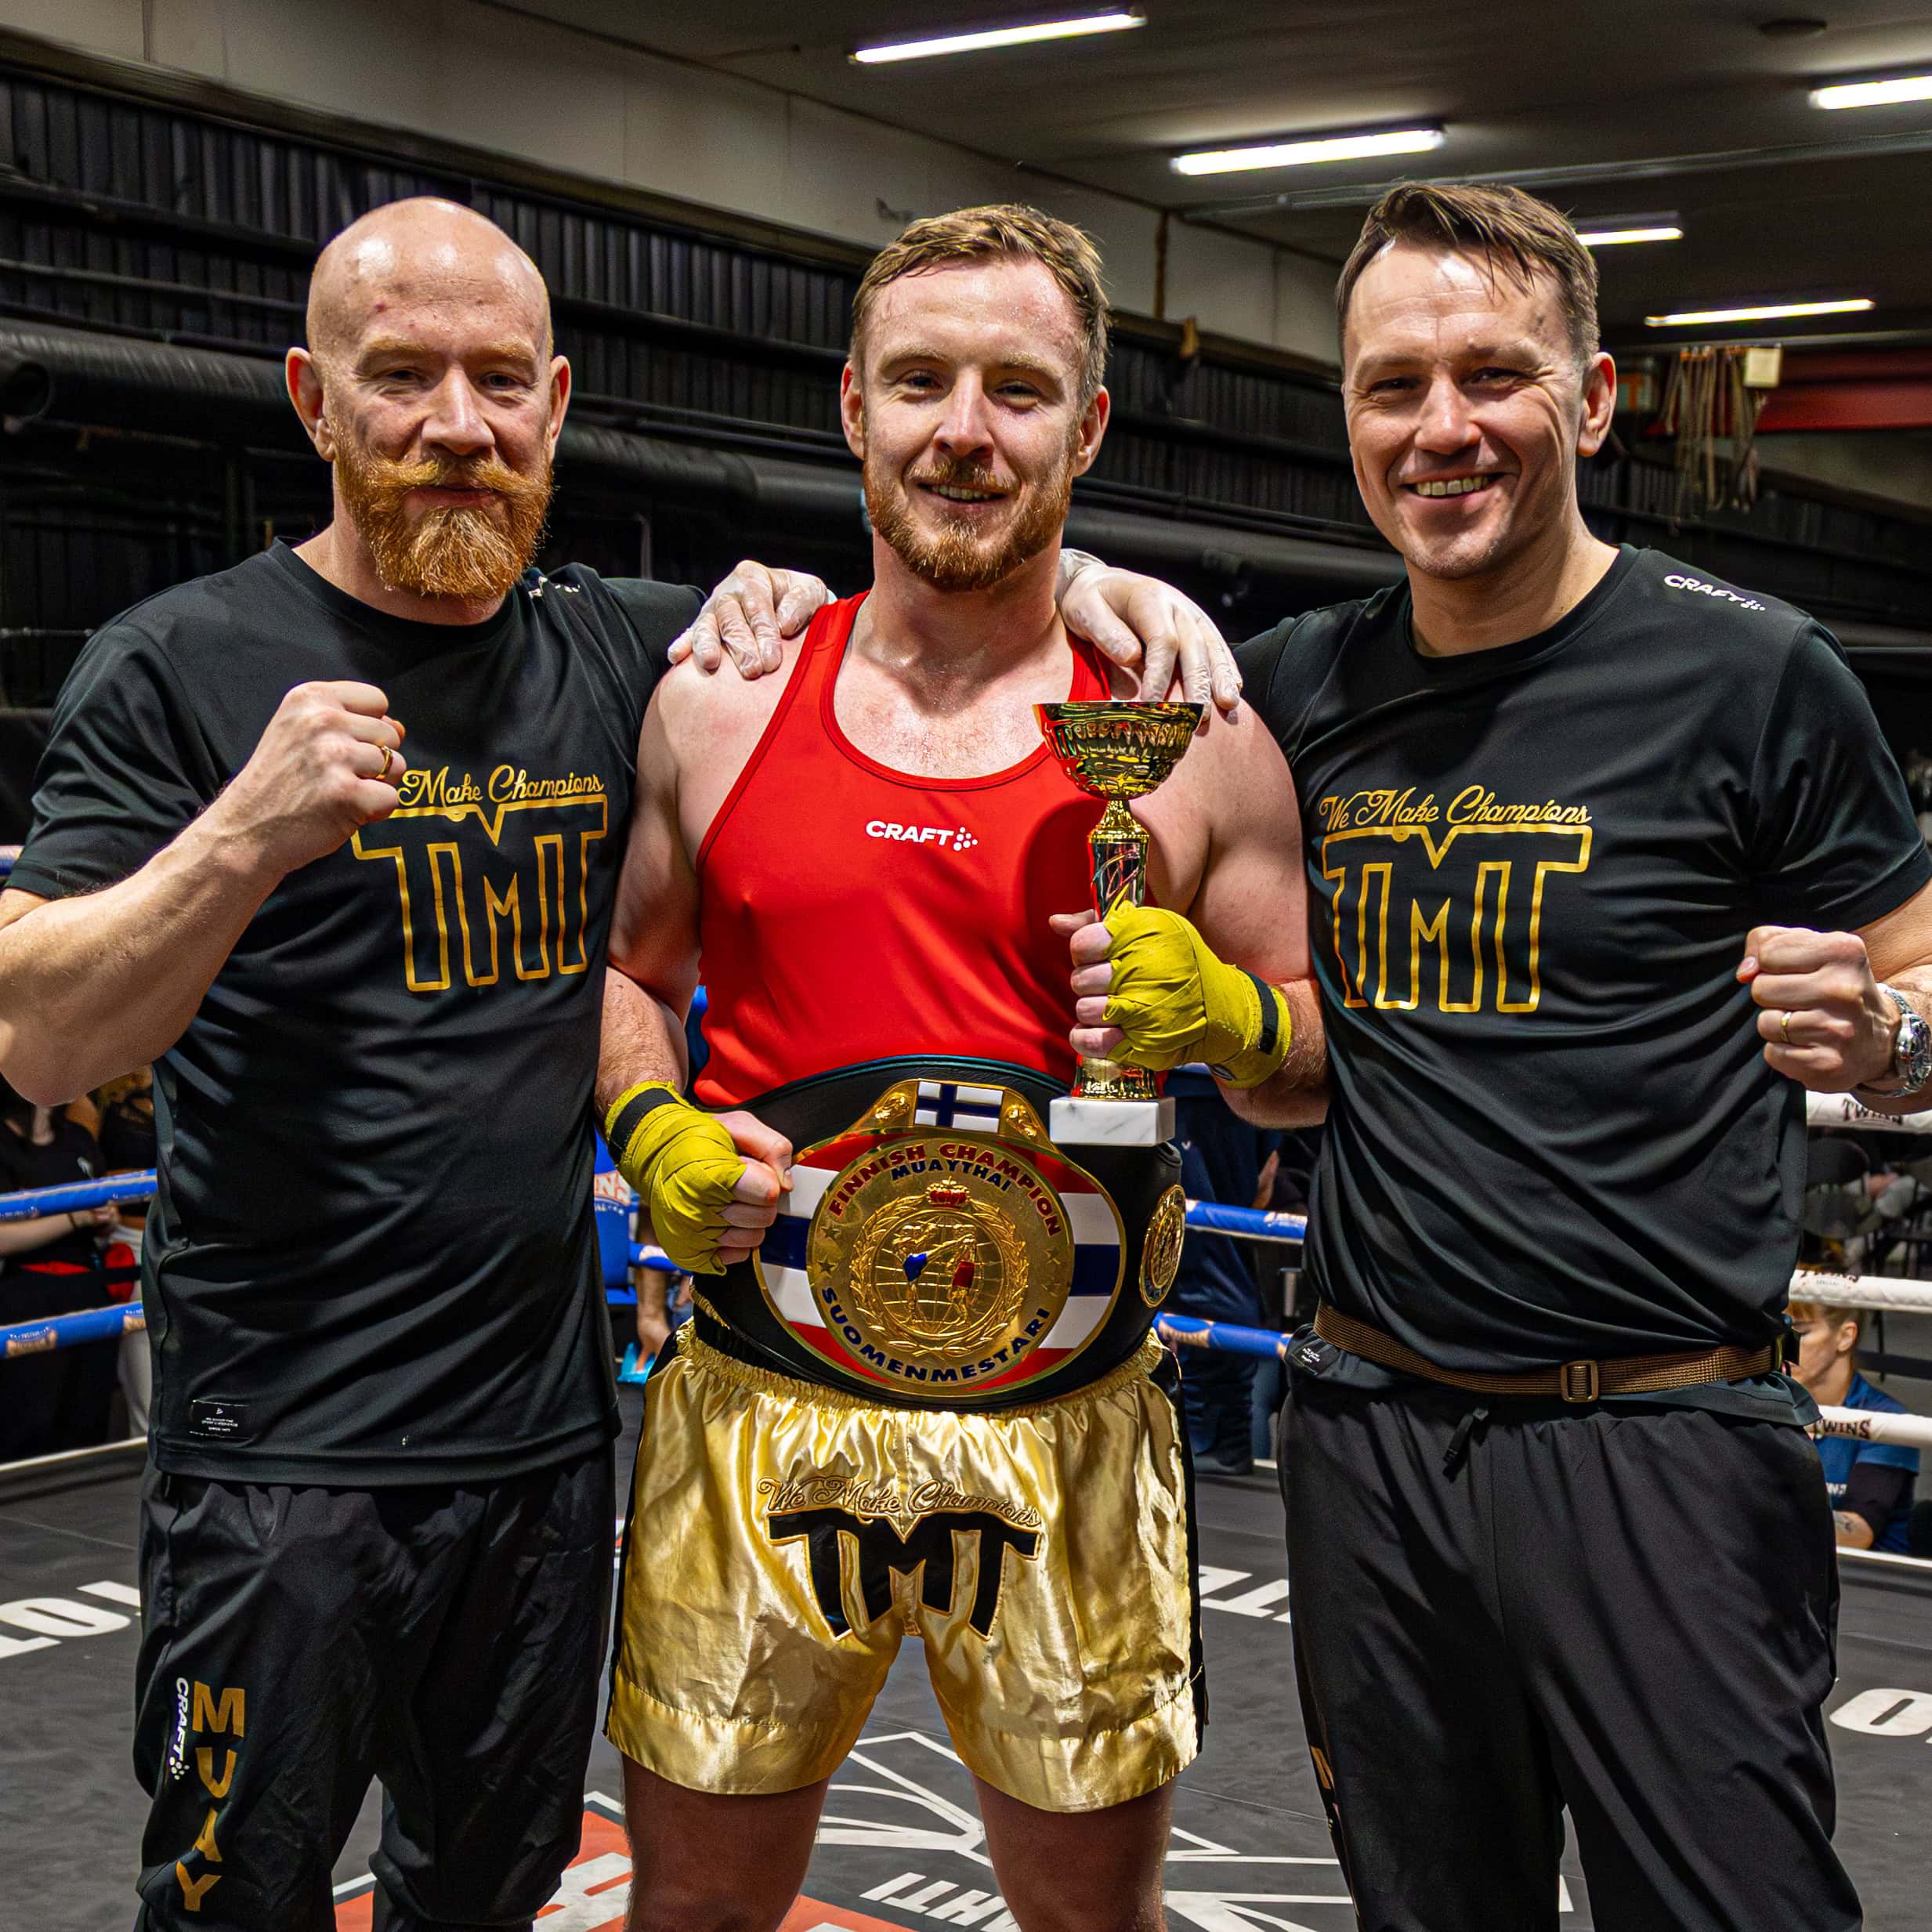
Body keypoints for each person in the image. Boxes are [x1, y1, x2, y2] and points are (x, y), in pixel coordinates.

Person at [0, 188, 1245, 1928]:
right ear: (311, 398)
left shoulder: (619, 654)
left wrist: (1102, 577)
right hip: (279, 1449)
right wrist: (240, 837)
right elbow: (40, 1034)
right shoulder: (180, 666)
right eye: (402, 377)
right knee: (236, 1899)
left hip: (536, 1448)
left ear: (557, 404)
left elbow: (925, 585)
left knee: (491, 1890)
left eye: (500, 380)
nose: (458, 425)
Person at [1077, 180, 1932, 1930]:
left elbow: (1920, 977)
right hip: (1369, 1429)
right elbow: (1287, 1071)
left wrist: (1891, 1033)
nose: (1441, 427)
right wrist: (1084, 577)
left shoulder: (1753, 673)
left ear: (1594, 399)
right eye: (1393, 385)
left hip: (1661, 1438)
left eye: (1492, 375)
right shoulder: (1292, 691)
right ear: (1348, 414)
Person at [592, 204, 1326, 1932]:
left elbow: (1306, 1073)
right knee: (691, 1920)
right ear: (855, 407)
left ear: (1089, 426)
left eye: (1018, 388)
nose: (965, 432)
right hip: (758, 1407)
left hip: (1069, 1427)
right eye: (921, 382)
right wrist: (646, 1122)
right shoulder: (720, 694)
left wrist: (1235, 1022)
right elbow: (628, 974)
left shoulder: (1196, 734)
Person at [1163, 1068, 1279, 1474]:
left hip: (1182, 1077)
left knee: (1203, 1254)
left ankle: (1213, 1445)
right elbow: (1264, 1185)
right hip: (1240, 1075)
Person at [0, 1076, 118, 1459]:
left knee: (87, 1418)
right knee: (30, 1422)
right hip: (27, 1294)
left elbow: (100, 1209)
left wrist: (103, 1220)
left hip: (88, 1288)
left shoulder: (77, 1139)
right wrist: (74, 1218)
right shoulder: (3, 1143)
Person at [1789, 1296, 1919, 1553]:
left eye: (1800, 1332)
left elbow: (1858, 1532)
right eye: (1777, 1330)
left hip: (1863, 1573)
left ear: (1845, 1337)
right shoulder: (1767, 1403)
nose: (1782, 1346)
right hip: (1788, 1566)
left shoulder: (1887, 1419)